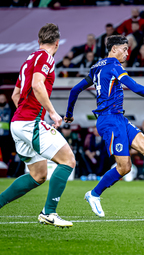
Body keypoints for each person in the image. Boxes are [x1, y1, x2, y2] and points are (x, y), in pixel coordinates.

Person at [64, 35, 144, 217]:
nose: (127, 53)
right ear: (113, 49)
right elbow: (134, 86)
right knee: (124, 167)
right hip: (109, 121)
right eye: (124, 49)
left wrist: (69, 114)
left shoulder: (96, 68)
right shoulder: (115, 66)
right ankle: (93, 194)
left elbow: (75, 90)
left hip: (119, 118)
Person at [0, 23, 75, 228]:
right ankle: (49, 213)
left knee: (38, 174)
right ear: (57, 43)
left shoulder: (28, 60)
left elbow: (16, 95)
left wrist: (24, 117)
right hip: (29, 122)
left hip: (18, 122)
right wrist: (51, 112)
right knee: (68, 160)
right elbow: (37, 84)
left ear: (39, 40)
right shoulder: (47, 58)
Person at [0, 93, 12, 165]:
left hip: (7, 135)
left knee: (6, 152)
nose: (1, 101)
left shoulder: (10, 109)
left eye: (3, 99)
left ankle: (6, 167)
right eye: (0, 99)